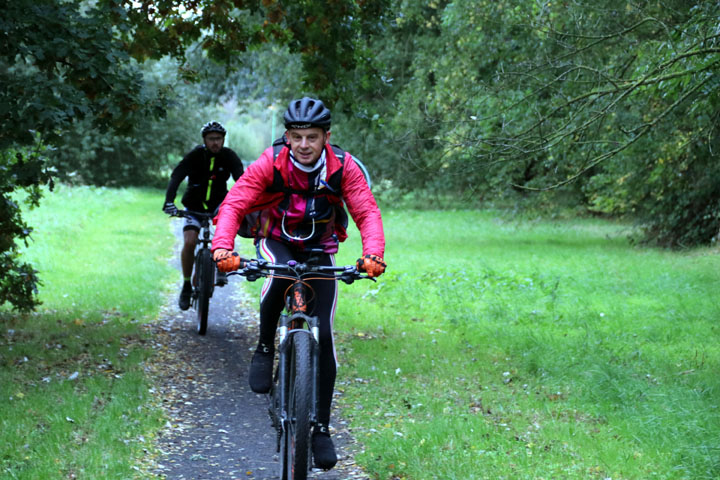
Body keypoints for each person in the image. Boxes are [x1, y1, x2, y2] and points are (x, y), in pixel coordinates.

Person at [211, 97, 386, 470]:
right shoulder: (269, 163)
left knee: (325, 338)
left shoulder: (344, 168)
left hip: (321, 245)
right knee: (279, 273)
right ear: (287, 137)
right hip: (276, 237)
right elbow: (235, 203)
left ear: (326, 137)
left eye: (312, 137)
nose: (304, 145)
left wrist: (372, 254)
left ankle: (321, 428)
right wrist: (223, 247)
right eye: (297, 137)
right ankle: (264, 347)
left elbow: (366, 210)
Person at [163, 121, 244, 310]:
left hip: (219, 206)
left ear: (223, 139)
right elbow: (177, 176)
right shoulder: (196, 155)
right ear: (204, 140)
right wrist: (169, 201)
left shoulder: (229, 156)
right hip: (194, 205)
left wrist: (245, 203)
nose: (215, 143)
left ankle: (221, 265)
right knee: (190, 242)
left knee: (225, 234)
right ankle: (185, 285)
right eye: (211, 139)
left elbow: (242, 180)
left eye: (218, 139)